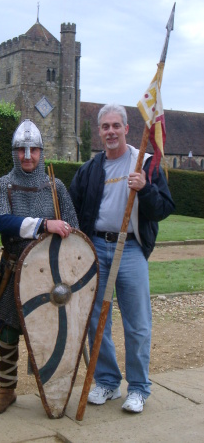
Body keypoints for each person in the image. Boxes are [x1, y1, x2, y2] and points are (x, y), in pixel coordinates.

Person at [70, 104, 175, 413]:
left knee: (138, 323)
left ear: (127, 129)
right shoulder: (90, 169)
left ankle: (139, 388)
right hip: (96, 249)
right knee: (95, 319)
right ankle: (107, 381)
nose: (111, 131)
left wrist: (144, 189)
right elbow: (73, 208)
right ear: (99, 131)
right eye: (105, 127)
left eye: (116, 125)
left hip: (129, 250)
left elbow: (164, 209)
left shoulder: (145, 163)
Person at [0, 119, 79, 414]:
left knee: (49, 332)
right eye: (22, 150)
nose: (28, 155)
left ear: (41, 152)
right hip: (15, 269)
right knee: (8, 331)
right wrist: (44, 224)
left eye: (34, 150)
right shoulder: (3, 185)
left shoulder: (56, 186)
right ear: (15, 153)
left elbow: (74, 230)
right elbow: (3, 221)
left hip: (50, 273)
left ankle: (50, 388)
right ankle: (7, 389)